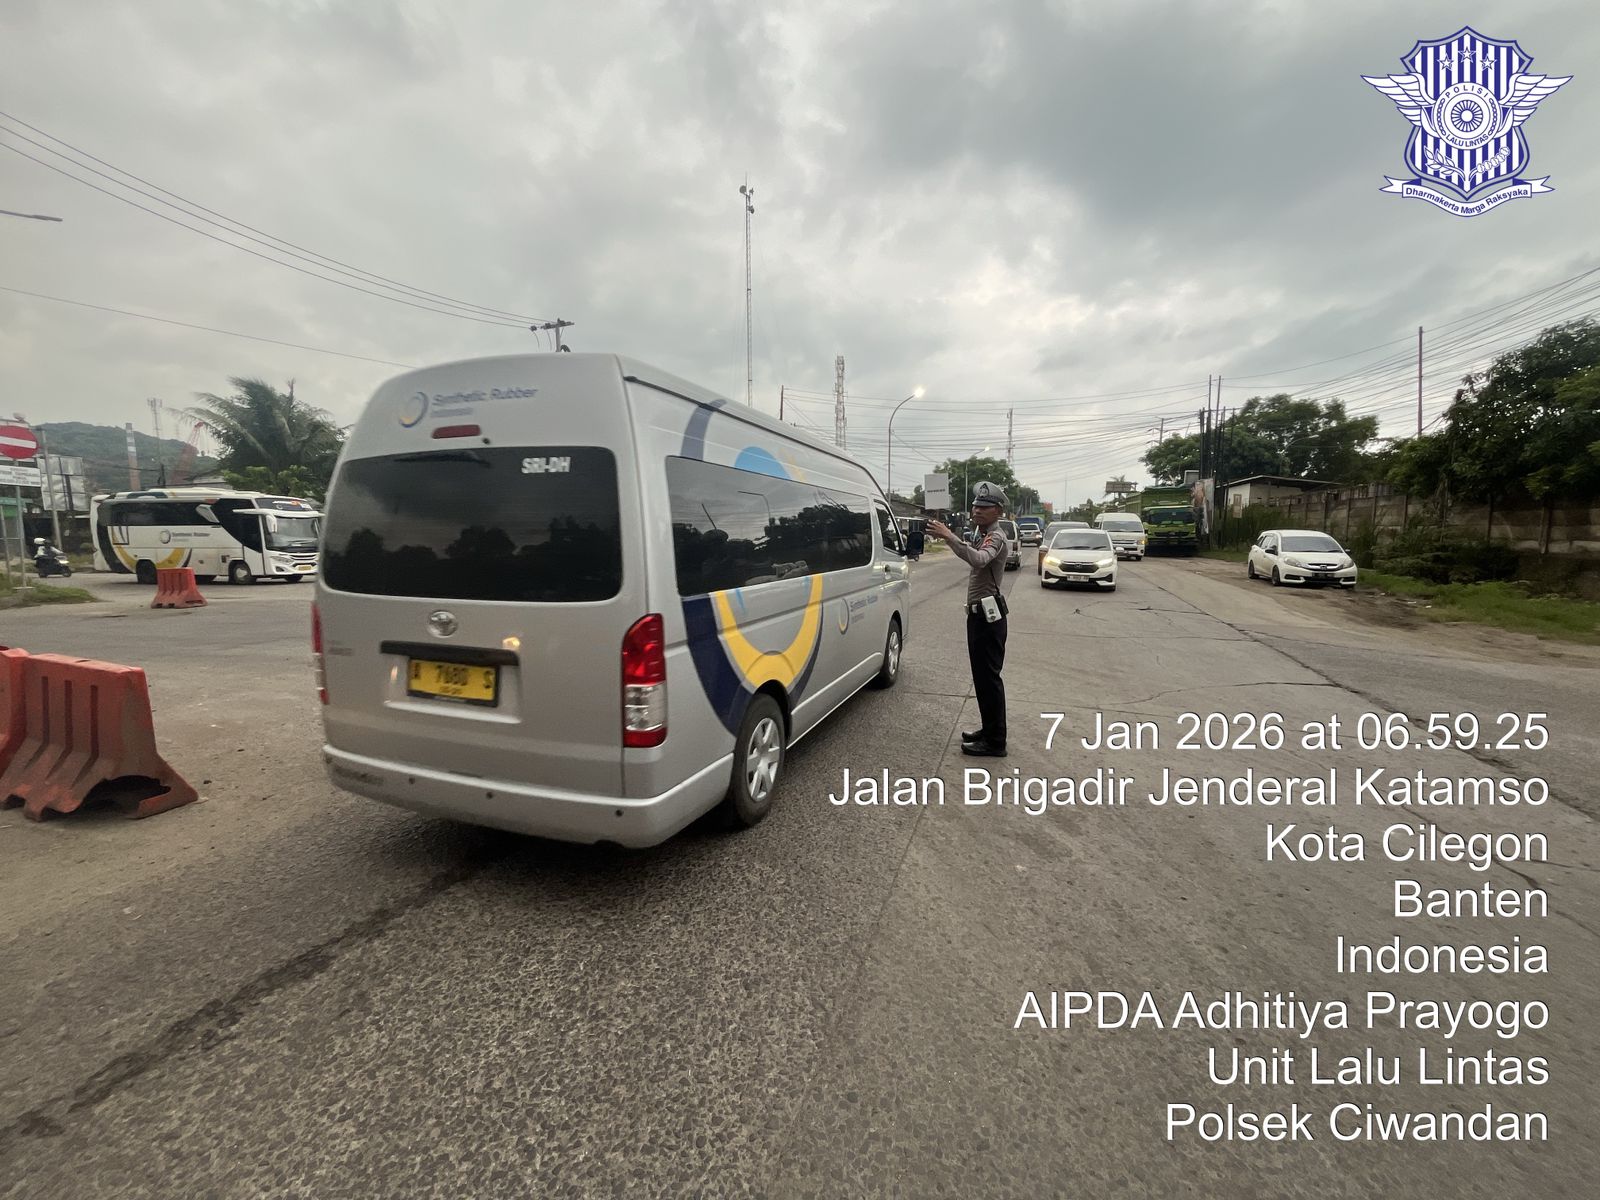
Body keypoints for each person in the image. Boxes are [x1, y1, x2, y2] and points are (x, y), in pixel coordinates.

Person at [925, 481, 1010, 757]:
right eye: (975, 506)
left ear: (998, 511)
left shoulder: (996, 537)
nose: (977, 510)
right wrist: (950, 539)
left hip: (988, 619)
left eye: (984, 507)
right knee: (981, 679)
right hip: (979, 616)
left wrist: (949, 536)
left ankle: (995, 742)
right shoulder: (982, 534)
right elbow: (971, 555)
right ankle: (989, 730)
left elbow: (979, 560)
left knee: (989, 679)